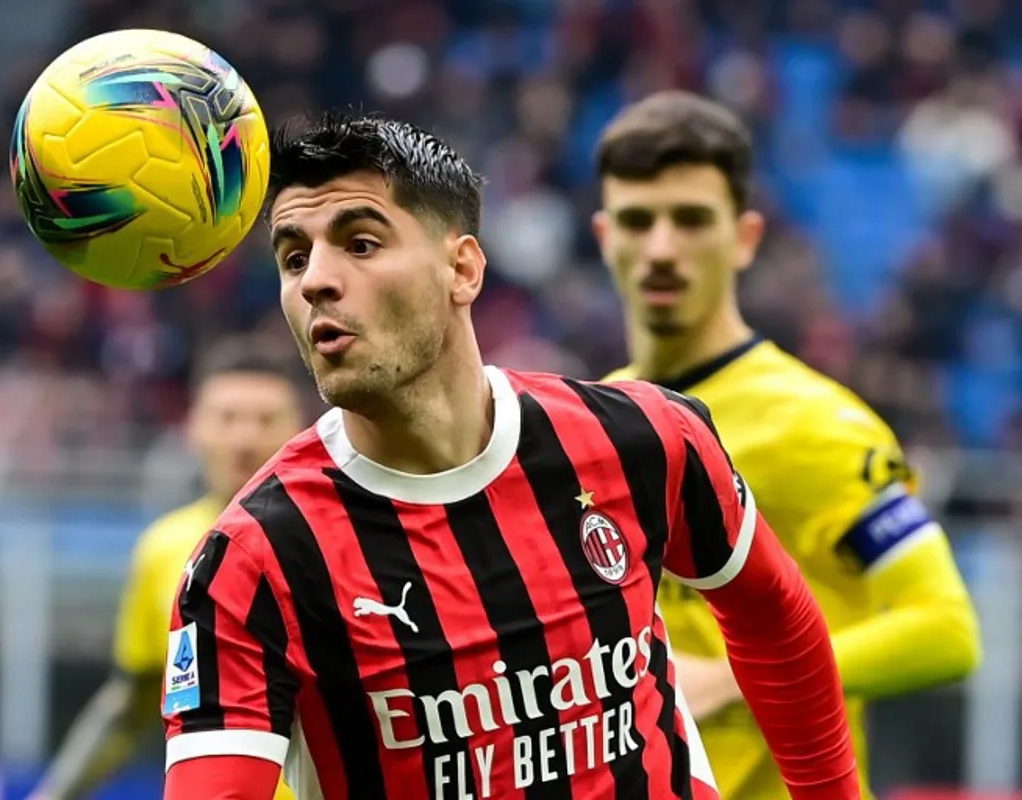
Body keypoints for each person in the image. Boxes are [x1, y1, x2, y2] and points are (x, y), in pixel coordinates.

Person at [160, 112, 860, 800]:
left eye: (362, 243)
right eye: (293, 256)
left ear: (462, 269)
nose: (315, 280)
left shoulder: (643, 437)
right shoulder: (252, 562)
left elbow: (779, 621)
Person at [592, 90, 982, 799]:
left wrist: (730, 680)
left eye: (691, 220)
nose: (661, 248)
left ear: (744, 237)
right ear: (602, 235)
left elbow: (947, 629)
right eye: (638, 220)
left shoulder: (818, 425)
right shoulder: (590, 423)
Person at [27, 341, 304, 800]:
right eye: (228, 418)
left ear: (299, 429)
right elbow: (131, 703)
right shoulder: (164, 549)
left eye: (265, 419)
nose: (245, 438)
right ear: (194, 428)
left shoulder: (339, 537)